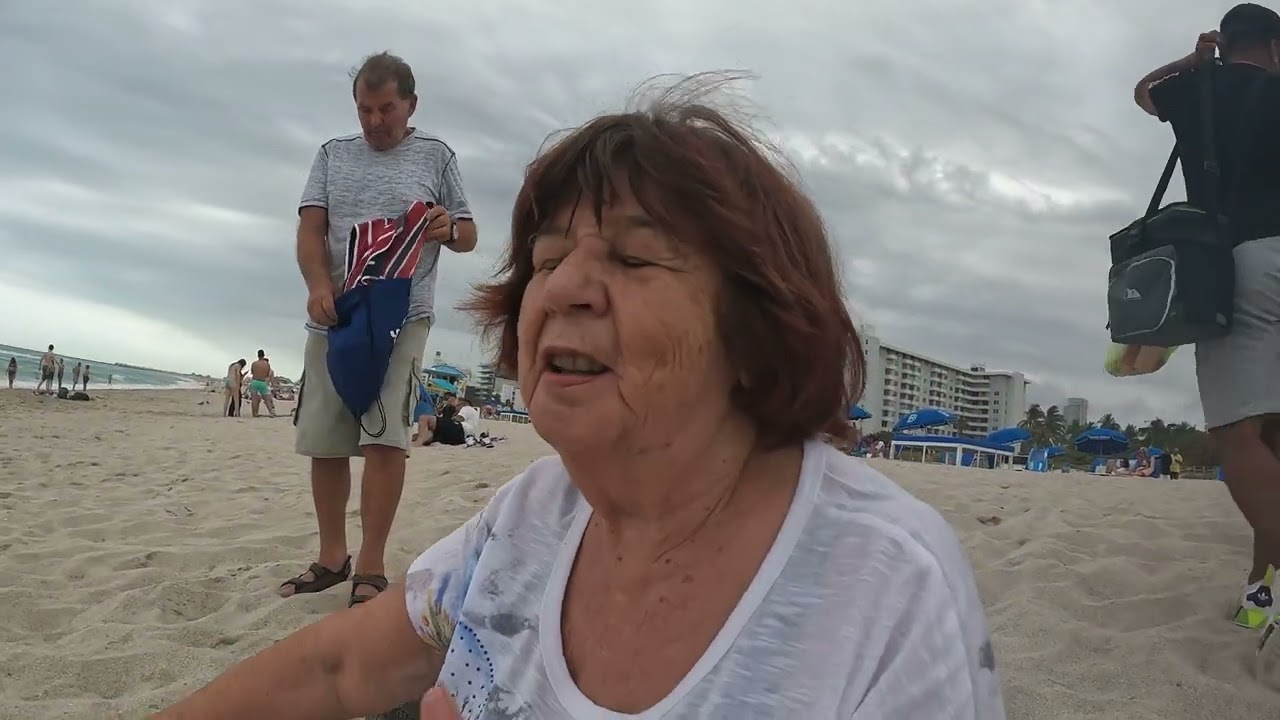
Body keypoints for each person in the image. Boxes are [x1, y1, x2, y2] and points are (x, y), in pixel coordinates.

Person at [154, 75, 1004, 720]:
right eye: (550, 260)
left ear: (758, 325)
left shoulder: (886, 588)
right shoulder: (528, 521)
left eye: (634, 260)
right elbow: (340, 671)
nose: (565, 291)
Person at [282, 51, 477, 608]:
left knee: (387, 438)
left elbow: (467, 233)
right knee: (325, 440)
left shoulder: (436, 155)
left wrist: (446, 228)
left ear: (410, 104)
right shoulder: (332, 155)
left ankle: (370, 563)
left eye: (385, 108)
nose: (373, 121)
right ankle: (331, 556)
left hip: (402, 315)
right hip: (335, 313)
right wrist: (318, 284)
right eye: (364, 109)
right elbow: (311, 228)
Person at [1134, 3, 1280, 631]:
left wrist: (1193, 61)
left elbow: (1143, 93)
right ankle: (1261, 593)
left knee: (1240, 433)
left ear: (1227, 43)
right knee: (1274, 435)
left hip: (1241, 261)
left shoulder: (1198, 88)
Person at [248, 350, 277, 418]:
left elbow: (252, 372)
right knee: (267, 399)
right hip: (262, 382)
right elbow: (267, 374)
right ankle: (271, 412)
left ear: (257, 355)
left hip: (254, 381)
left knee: (254, 399)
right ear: (264, 355)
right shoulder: (267, 364)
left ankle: (254, 414)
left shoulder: (254, 363)